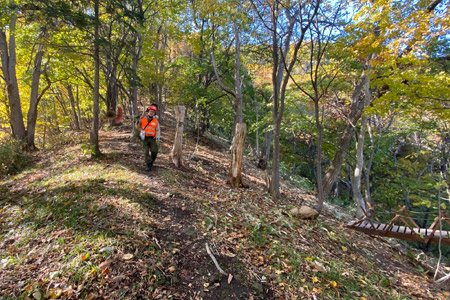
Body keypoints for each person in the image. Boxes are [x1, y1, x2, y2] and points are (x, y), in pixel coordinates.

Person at [137, 104, 160, 171]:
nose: (151, 113)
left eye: (153, 112)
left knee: (154, 151)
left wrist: (158, 138)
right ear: (148, 112)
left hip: (152, 138)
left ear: (154, 113)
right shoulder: (143, 119)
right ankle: (149, 165)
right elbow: (137, 126)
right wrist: (137, 120)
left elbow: (158, 130)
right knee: (146, 152)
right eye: (150, 111)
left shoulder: (156, 121)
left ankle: (151, 161)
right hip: (145, 138)